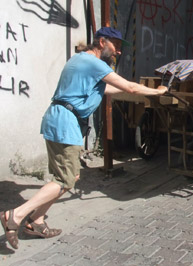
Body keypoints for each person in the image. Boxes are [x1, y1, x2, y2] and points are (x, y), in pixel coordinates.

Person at [0, 27, 167, 249]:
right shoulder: (95, 63)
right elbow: (128, 87)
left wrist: (132, 91)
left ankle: (37, 221)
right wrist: (158, 91)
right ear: (101, 42)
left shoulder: (80, 60)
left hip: (60, 118)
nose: (118, 51)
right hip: (65, 122)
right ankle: (16, 216)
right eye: (115, 46)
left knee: (71, 177)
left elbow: (107, 89)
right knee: (64, 180)